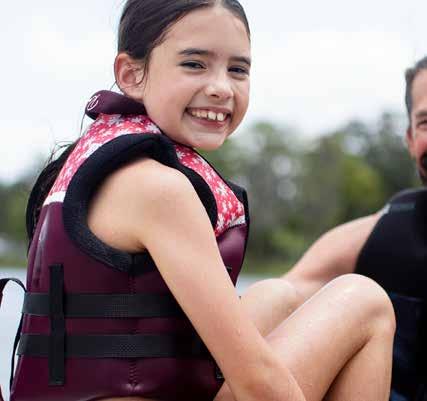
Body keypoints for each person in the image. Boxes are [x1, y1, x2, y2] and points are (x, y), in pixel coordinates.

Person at [0, 1, 395, 401]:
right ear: (131, 75)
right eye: (194, 64)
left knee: (276, 297)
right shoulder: (158, 189)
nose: (221, 87)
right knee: (364, 300)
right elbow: (258, 384)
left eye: (237, 69)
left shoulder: (91, 165)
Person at [283, 56, 427, 401]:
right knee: (276, 296)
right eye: (426, 122)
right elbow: (272, 304)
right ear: (410, 139)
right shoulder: (376, 237)